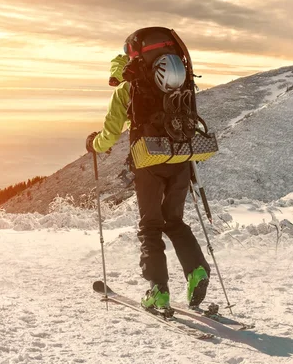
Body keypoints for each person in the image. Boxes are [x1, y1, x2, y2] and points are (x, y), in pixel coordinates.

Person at [86, 37, 211, 311]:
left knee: (150, 226)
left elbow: (109, 136)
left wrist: (93, 143)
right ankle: (197, 271)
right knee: (175, 221)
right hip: (181, 159)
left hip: (148, 163)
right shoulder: (179, 83)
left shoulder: (127, 90)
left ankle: (158, 291)